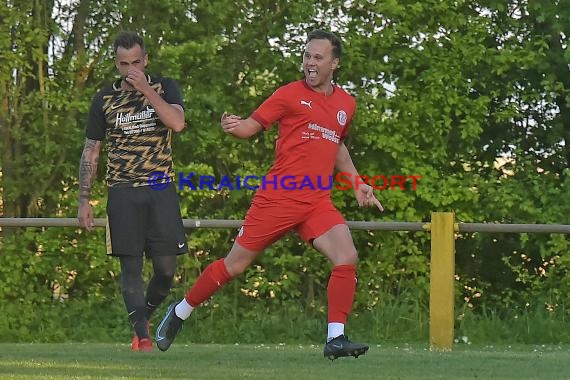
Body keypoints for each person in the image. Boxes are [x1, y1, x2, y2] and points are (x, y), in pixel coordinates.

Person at [155, 29, 383, 360]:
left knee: (346, 256)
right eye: (306, 55)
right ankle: (181, 311)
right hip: (278, 198)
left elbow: (337, 148)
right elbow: (251, 126)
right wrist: (234, 126)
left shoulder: (346, 104)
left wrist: (357, 181)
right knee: (234, 266)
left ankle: (336, 338)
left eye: (318, 57)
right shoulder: (289, 94)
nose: (309, 63)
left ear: (335, 63)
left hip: (316, 200)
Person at [77, 31, 188, 352]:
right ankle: (141, 337)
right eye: (123, 64)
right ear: (116, 63)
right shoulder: (103, 99)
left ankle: (146, 316)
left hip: (160, 186)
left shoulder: (165, 86)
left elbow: (177, 123)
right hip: (123, 190)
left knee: (166, 271)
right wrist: (84, 200)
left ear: (146, 60)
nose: (130, 70)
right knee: (131, 267)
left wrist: (145, 90)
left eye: (136, 63)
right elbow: (91, 151)